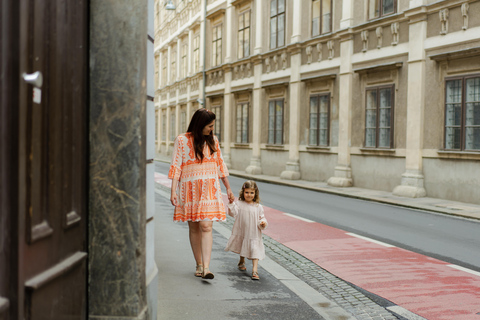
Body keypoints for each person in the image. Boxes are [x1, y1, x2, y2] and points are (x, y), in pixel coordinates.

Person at [169, 108, 235, 280]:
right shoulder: (182, 140)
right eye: (209, 126)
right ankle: (198, 263)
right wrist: (173, 190)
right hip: (190, 190)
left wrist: (228, 187)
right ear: (200, 125)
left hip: (209, 190)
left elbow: (220, 165)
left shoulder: (213, 140)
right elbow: (176, 166)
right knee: (194, 227)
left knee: (206, 226)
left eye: (213, 126)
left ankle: (206, 268)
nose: (211, 129)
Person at [225, 180, 268, 280]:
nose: (249, 195)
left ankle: (255, 270)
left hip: (254, 232)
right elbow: (233, 213)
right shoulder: (239, 204)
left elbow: (262, 218)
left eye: (251, 193)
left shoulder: (258, 207)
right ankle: (241, 261)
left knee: (255, 249)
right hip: (242, 229)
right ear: (243, 193)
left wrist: (263, 223)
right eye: (247, 192)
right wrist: (231, 203)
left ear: (255, 193)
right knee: (242, 245)